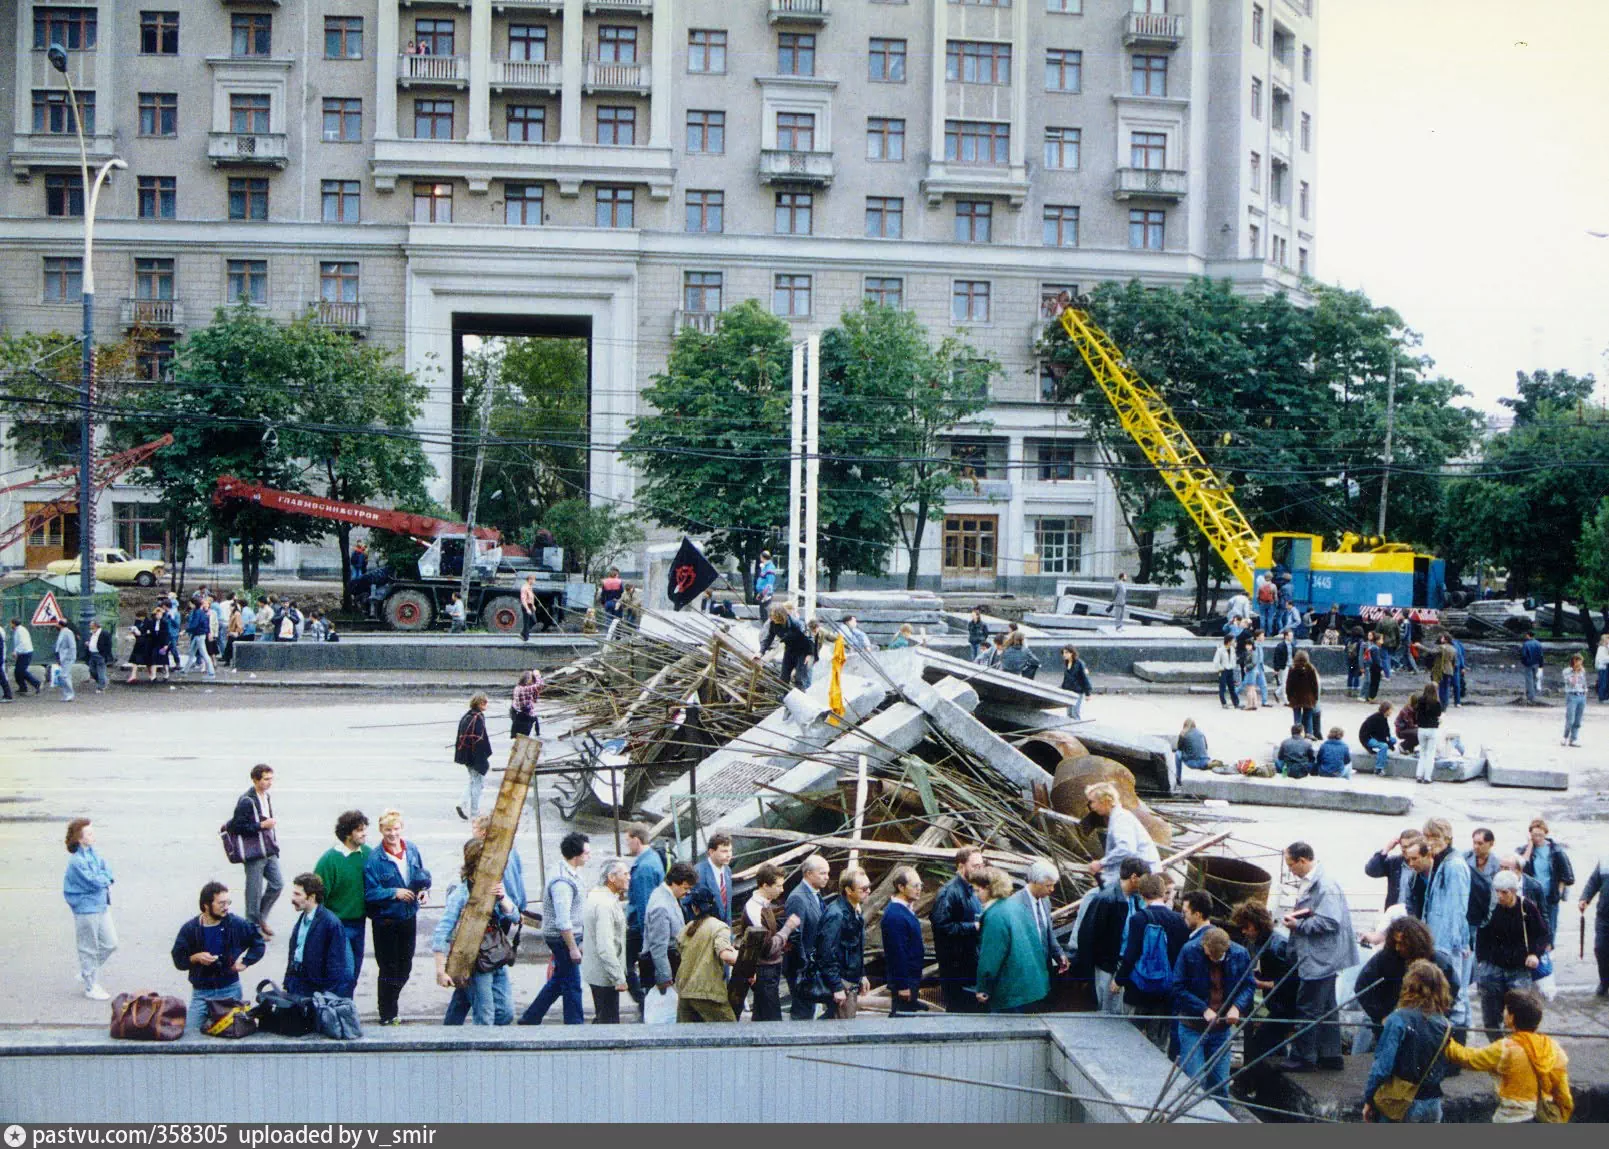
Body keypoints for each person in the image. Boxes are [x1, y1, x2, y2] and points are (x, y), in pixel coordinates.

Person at [1279, 841, 1359, 1072]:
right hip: (1324, 955)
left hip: (1320, 957)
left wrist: (1298, 924)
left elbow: (1330, 921)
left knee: (1308, 1006)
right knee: (1326, 1007)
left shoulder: (1325, 885)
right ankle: (1330, 1055)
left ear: (1303, 861)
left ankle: (1303, 1057)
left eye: (1291, 864)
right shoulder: (1316, 882)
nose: (1290, 870)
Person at [1446, 987, 1573, 1123]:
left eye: (1506, 1010)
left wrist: (1445, 1040)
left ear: (1512, 1018)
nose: (1503, 1013)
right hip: (1545, 1116)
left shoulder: (1506, 1048)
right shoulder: (1554, 1048)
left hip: (1512, 1117)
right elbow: (1564, 1095)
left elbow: (1468, 1058)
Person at [433, 838, 518, 1026]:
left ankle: (448, 1038)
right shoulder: (461, 894)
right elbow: (442, 931)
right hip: (472, 962)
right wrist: (441, 970)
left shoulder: (494, 887)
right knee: (485, 1016)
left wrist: (503, 898)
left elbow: (515, 917)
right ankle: (480, 1052)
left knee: (505, 1013)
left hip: (495, 956)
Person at [1361, 959, 1454, 1124]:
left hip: (1401, 1104)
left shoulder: (1398, 1019)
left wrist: (1369, 1099)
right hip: (1433, 1103)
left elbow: (1382, 1067)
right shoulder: (1445, 1025)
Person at [363, 808, 431, 1025]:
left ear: (402, 828)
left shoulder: (411, 849)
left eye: (396, 829)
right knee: (388, 967)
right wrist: (394, 892)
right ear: (381, 830)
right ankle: (388, 1013)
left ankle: (391, 1002)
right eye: (387, 830)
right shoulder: (374, 859)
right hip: (386, 921)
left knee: (405, 966)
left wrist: (424, 891)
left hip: (408, 916)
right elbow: (369, 893)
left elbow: (421, 875)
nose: (392, 834)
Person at [171, 881, 265, 1036]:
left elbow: (258, 942)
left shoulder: (236, 924)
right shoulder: (190, 929)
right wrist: (195, 958)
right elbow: (178, 960)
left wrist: (246, 962)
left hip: (230, 992)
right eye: (221, 903)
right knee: (190, 1035)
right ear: (206, 905)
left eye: (228, 902)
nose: (226, 907)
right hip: (201, 994)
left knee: (229, 1037)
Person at [1171, 926, 1254, 1101]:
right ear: (1203, 945)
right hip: (1192, 1027)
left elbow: (1248, 985)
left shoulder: (1240, 954)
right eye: (1208, 955)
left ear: (1227, 949)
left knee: (1221, 1086)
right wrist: (1203, 1009)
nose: (1211, 959)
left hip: (1221, 1030)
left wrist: (1237, 1007)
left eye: (1217, 957)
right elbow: (1177, 987)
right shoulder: (1189, 951)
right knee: (1195, 1084)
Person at [1227, 900, 1300, 1099]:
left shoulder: (1278, 945)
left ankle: (1255, 1089)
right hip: (1270, 1003)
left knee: (1260, 1047)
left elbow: (1293, 979)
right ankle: (1263, 1089)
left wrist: (1262, 984)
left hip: (1286, 1005)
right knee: (1260, 1046)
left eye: (1246, 927)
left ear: (1257, 924)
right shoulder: (1253, 942)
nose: (1243, 931)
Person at [521, 831, 590, 1026]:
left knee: (560, 980)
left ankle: (531, 1017)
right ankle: (575, 1025)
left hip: (566, 936)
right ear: (576, 856)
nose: (589, 856)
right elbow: (562, 920)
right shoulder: (562, 883)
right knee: (573, 985)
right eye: (586, 853)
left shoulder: (567, 871)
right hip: (562, 938)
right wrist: (573, 948)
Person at [1112, 873, 1189, 1048]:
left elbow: (1131, 954)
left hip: (1139, 988)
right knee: (1159, 1040)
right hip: (1166, 991)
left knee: (1130, 1036)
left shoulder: (1138, 919)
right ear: (1163, 893)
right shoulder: (1179, 920)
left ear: (1142, 894)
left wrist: (1119, 980)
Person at [1357, 917, 1460, 1040]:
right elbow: (1361, 985)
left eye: (1402, 944)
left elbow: (1453, 988)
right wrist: (1380, 1015)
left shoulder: (1438, 962)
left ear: (1415, 942)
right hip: (1391, 1026)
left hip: (1427, 1027)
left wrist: (1439, 1014)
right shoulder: (1385, 959)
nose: (1397, 948)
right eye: (1395, 943)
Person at [1473, 870, 1549, 1033]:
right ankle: (1497, 1047)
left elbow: (1541, 934)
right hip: (1492, 967)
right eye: (1497, 891)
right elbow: (1480, 934)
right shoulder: (1491, 907)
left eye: (1504, 892)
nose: (1500, 896)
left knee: (1520, 1014)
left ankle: (1517, 1047)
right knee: (1490, 1016)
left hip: (1518, 969)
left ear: (1513, 891)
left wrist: (1535, 953)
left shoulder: (1526, 907)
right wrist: (1481, 961)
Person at [1074, 857, 1150, 1013]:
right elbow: (1087, 937)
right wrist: (1086, 974)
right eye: (1145, 879)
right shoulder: (1106, 900)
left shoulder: (1133, 899)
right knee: (1108, 1011)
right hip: (1108, 967)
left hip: (1122, 965)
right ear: (1134, 878)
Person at [974, 867, 1049, 1013]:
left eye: (977, 890)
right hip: (1033, 987)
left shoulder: (994, 915)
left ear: (987, 889)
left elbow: (991, 957)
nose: (976, 894)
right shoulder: (1017, 906)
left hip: (1011, 993)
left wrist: (983, 987)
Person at [313, 810, 371, 990]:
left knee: (353, 975)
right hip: (337, 925)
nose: (364, 834)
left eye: (364, 829)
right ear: (347, 833)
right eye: (359, 830)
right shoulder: (329, 861)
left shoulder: (367, 854)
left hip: (359, 923)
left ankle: (344, 1010)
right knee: (343, 974)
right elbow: (317, 897)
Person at [735, 862, 799, 1021]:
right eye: (778, 886)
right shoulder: (754, 910)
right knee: (771, 1017)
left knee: (763, 1015)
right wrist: (787, 929)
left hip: (770, 968)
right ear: (764, 885)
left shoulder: (765, 904)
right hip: (763, 970)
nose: (782, 890)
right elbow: (767, 948)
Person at [226, 764, 283, 937]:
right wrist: (260, 826)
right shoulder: (246, 800)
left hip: (268, 849)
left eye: (271, 779)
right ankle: (252, 928)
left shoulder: (266, 796)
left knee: (277, 884)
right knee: (254, 891)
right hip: (254, 853)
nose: (269, 782)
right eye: (266, 779)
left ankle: (261, 918)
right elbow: (236, 827)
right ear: (255, 780)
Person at [62, 818, 116, 999]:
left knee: (111, 943)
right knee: (88, 947)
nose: (94, 836)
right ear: (79, 838)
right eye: (90, 833)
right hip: (86, 908)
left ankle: (87, 970)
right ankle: (91, 986)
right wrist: (105, 880)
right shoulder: (77, 861)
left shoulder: (92, 853)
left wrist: (105, 878)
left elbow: (106, 869)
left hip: (101, 904)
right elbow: (94, 880)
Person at [929, 847, 984, 1013]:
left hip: (970, 963)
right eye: (975, 866)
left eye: (981, 866)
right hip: (955, 967)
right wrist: (973, 927)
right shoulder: (949, 892)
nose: (980, 870)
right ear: (961, 866)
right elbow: (941, 926)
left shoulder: (971, 890)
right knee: (960, 1012)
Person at [283, 873, 354, 1000]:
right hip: (297, 982)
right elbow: (295, 951)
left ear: (311, 897)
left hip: (314, 989)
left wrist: (326, 996)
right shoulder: (303, 918)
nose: (292, 899)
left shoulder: (330, 923)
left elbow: (336, 965)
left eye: (298, 894)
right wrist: (288, 981)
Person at [816, 868, 872, 1019]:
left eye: (869, 887)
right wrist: (836, 987)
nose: (868, 891)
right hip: (842, 981)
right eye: (864, 889)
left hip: (850, 979)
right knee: (842, 1027)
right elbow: (826, 953)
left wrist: (862, 974)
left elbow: (856, 948)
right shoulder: (836, 914)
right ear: (848, 890)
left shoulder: (853, 910)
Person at [677, 888, 739, 1022]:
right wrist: (744, 958)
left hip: (685, 993)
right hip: (708, 993)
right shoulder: (719, 927)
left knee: (687, 1039)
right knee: (730, 1035)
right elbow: (726, 955)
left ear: (694, 908)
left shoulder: (687, 928)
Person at [642, 862, 696, 1017]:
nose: (688, 892)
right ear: (674, 883)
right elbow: (658, 946)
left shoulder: (666, 895)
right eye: (685, 888)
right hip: (665, 970)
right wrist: (664, 977)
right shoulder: (661, 906)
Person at [581, 859, 630, 1024]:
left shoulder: (599, 896)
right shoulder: (605, 904)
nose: (629, 877)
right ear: (611, 878)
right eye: (625, 873)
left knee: (603, 1018)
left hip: (599, 972)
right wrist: (618, 978)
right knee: (608, 1024)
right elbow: (605, 946)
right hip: (604, 976)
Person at [783, 854, 830, 1020]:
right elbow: (796, 936)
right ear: (808, 874)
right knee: (803, 1013)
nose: (827, 877)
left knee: (810, 1010)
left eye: (827, 873)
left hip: (812, 965)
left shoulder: (815, 895)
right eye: (822, 873)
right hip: (801, 968)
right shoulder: (798, 897)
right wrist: (805, 966)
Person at [1085, 782, 1160, 883]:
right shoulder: (1118, 817)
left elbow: (1126, 849)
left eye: (1092, 802)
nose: (1091, 806)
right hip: (1138, 872)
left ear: (1105, 801)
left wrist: (1101, 863)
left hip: (1143, 874)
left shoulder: (1120, 819)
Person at [623, 824, 664, 1007]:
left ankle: (643, 1001)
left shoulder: (644, 868)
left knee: (625, 965)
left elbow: (643, 904)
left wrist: (645, 934)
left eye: (628, 841)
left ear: (636, 840)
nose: (627, 845)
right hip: (647, 926)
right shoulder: (653, 858)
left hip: (639, 928)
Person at [1015, 860, 1071, 991]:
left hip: (1043, 970)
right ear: (1035, 882)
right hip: (1025, 972)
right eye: (1048, 885)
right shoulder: (1016, 904)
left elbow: (1048, 932)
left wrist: (1059, 954)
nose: (1052, 890)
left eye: (1053, 885)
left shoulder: (1045, 901)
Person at [1516, 817, 1575, 941]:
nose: (1537, 838)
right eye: (1534, 835)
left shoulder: (1556, 851)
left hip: (1550, 895)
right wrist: (1529, 847)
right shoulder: (1523, 850)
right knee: (1530, 926)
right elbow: (1519, 867)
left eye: (1540, 835)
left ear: (1545, 834)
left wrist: (1559, 892)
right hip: (1531, 895)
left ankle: (1548, 952)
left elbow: (1566, 875)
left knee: (1549, 927)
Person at [882, 866, 926, 1016]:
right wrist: (902, 985)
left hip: (911, 979)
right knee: (901, 1018)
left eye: (920, 885)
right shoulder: (895, 914)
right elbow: (896, 953)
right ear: (901, 887)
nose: (919, 889)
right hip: (905, 982)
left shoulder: (905, 910)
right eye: (915, 885)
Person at [453, 694, 493, 820]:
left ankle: (461, 803)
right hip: (475, 756)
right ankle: (474, 812)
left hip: (465, 755)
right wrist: (484, 758)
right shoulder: (478, 718)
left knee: (473, 781)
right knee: (478, 784)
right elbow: (482, 740)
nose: (486, 705)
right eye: (485, 703)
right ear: (480, 704)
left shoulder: (466, 716)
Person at [1365, 827, 1422, 911]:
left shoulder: (1425, 864)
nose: (1408, 850)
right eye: (1404, 847)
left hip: (1417, 917)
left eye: (1410, 846)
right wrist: (1386, 850)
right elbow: (1371, 870)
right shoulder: (1394, 863)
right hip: (1395, 916)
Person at [760, 604, 815, 688]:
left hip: (802, 651)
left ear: (780, 616)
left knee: (799, 678)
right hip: (789, 650)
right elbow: (769, 638)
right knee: (784, 677)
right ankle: (784, 696)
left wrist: (809, 654)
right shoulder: (773, 624)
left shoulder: (796, 624)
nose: (772, 619)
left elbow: (810, 638)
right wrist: (761, 652)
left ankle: (799, 696)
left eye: (774, 617)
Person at [689, 832, 734, 924]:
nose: (729, 855)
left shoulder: (727, 870)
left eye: (730, 850)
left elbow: (727, 908)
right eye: (724, 851)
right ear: (711, 852)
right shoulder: (699, 873)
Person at [1581, 855, 1609, 996]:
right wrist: (1585, 898)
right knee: (1601, 949)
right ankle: (1604, 982)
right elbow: (1593, 882)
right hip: (1604, 915)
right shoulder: (1605, 861)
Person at [1285, 649, 1321, 738]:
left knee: (1296, 716)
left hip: (1295, 697)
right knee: (1308, 715)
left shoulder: (1292, 669)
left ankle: (1297, 733)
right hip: (1308, 697)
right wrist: (1316, 697)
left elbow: (1289, 684)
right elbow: (1314, 684)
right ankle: (1309, 733)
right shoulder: (1311, 668)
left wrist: (1289, 696)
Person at [1413, 684, 1442, 785]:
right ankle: (1427, 777)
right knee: (1430, 754)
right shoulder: (1436, 702)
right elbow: (1438, 715)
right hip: (1432, 729)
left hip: (1421, 729)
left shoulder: (1420, 700)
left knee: (1422, 753)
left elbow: (1416, 712)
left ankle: (1419, 775)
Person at [1358, 702, 1397, 773]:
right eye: (1391, 710)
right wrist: (1388, 744)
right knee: (1384, 746)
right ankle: (1379, 768)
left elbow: (1386, 732)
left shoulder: (1384, 717)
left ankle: (1382, 753)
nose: (1392, 712)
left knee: (1393, 740)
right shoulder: (1376, 718)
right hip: (1367, 738)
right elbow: (1380, 736)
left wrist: (1389, 741)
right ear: (1386, 710)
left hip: (1375, 737)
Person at [1174, 718, 1210, 786]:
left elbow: (1179, 748)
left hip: (1193, 763)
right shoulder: (1201, 733)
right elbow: (1206, 747)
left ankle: (1178, 779)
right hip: (1205, 761)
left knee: (1177, 753)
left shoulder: (1183, 734)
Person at [1562, 653, 1587, 747]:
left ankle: (1574, 739)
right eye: (1578, 661)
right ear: (1574, 661)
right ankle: (1565, 737)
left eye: (1581, 662)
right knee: (1570, 719)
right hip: (1572, 695)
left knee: (1578, 720)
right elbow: (1572, 683)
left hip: (1581, 695)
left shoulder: (1583, 670)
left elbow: (1583, 682)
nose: (1580, 664)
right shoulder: (1567, 671)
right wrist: (1576, 672)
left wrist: (1585, 691)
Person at [1060, 645, 1092, 719]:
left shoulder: (1079, 663)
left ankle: (1078, 727)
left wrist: (1088, 693)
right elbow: (1066, 678)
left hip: (1077, 691)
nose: (1064, 655)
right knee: (1069, 714)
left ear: (1072, 653)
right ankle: (1070, 729)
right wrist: (1062, 689)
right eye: (1063, 653)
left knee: (1075, 713)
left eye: (1066, 653)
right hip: (1068, 691)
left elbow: (1085, 678)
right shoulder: (1066, 663)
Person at [9, 619, 40, 696]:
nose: (10, 625)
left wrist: (16, 651)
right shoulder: (19, 630)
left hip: (26, 653)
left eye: (11, 624)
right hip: (23, 653)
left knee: (21, 671)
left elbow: (23, 643)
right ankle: (23, 687)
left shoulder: (20, 631)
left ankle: (36, 683)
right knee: (18, 672)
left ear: (13, 624)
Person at [1208, 636, 1239, 709]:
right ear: (1229, 641)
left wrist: (1232, 666)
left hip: (1230, 669)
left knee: (1232, 687)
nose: (1234, 642)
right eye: (1233, 641)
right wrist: (1221, 668)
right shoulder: (1220, 650)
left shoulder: (1232, 649)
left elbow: (1234, 659)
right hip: (1223, 670)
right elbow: (1216, 661)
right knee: (1222, 687)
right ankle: (1224, 703)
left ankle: (1236, 703)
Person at [510, 669, 542, 738]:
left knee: (520, 738)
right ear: (526, 680)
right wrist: (537, 675)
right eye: (531, 678)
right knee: (522, 738)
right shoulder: (523, 689)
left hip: (518, 715)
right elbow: (539, 685)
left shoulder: (518, 687)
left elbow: (534, 699)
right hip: (522, 717)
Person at [83, 619, 112, 693]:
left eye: (91, 625)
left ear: (96, 625)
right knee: (92, 670)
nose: (90, 626)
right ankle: (104, 681)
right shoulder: (92, 633)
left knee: (101, 671)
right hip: (92, 654)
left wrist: (105, 655)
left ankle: (101, 687)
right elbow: (94, 642)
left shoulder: (104, 633)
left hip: (100, 655)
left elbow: (108, 645)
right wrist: (89, 644)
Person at [1269, 628, 1296, 704]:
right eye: (1290, 635)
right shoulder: (1280, 646)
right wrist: (1276, 669)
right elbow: (1276, 658)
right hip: (1284, 666)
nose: (1292, 637)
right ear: (1286, 636)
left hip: (1291, 665)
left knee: (1288, 682)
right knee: (1284, 683)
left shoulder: (1292, 645)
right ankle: (1285, 700)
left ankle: (1277, 693)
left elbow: (1294, 655)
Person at [52, 620, 77, 702]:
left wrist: (69, 656)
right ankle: (67, 694)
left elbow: (72, 646)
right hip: (63, 657)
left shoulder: (68, 632)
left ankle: (69, 694)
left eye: (57, 624)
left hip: (67, 657)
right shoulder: (62, 632)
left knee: (64, 676)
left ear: (60, 625)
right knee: (66, 676)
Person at [1519, 630, 1545, 704]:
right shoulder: (1538, 643)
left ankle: (1530, 697)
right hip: (1537, 663)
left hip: (1528, 664)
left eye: (1526, 635)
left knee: (1529, 680)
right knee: (1535, 679)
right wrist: (1541, 665)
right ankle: (1534, 694)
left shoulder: (1526, 644)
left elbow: (1523, 655)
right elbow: (1541, 655)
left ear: (1528, 635)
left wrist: (1524, 662)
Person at [518, 574, 538, 642]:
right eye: (534, 580)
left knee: (534, 621)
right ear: (530, 580)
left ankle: (523, 633)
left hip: (530, 606)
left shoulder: (530, 587)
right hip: (526, 606)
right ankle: (525, 638)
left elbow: (531, 598)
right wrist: (527, 609)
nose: (534, 581)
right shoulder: (524, 588)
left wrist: (533, 605)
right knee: (526, 622)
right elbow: (523, 599)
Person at [1596, 633, 1609, 704]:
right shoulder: (1601, 648)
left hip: (1605, 667)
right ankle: (1602, 697)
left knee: (1606, 682)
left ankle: (1605, 697)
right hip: (1602, 667)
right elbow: (1603, 659)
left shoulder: (1606, 648)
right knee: (1603, 683)